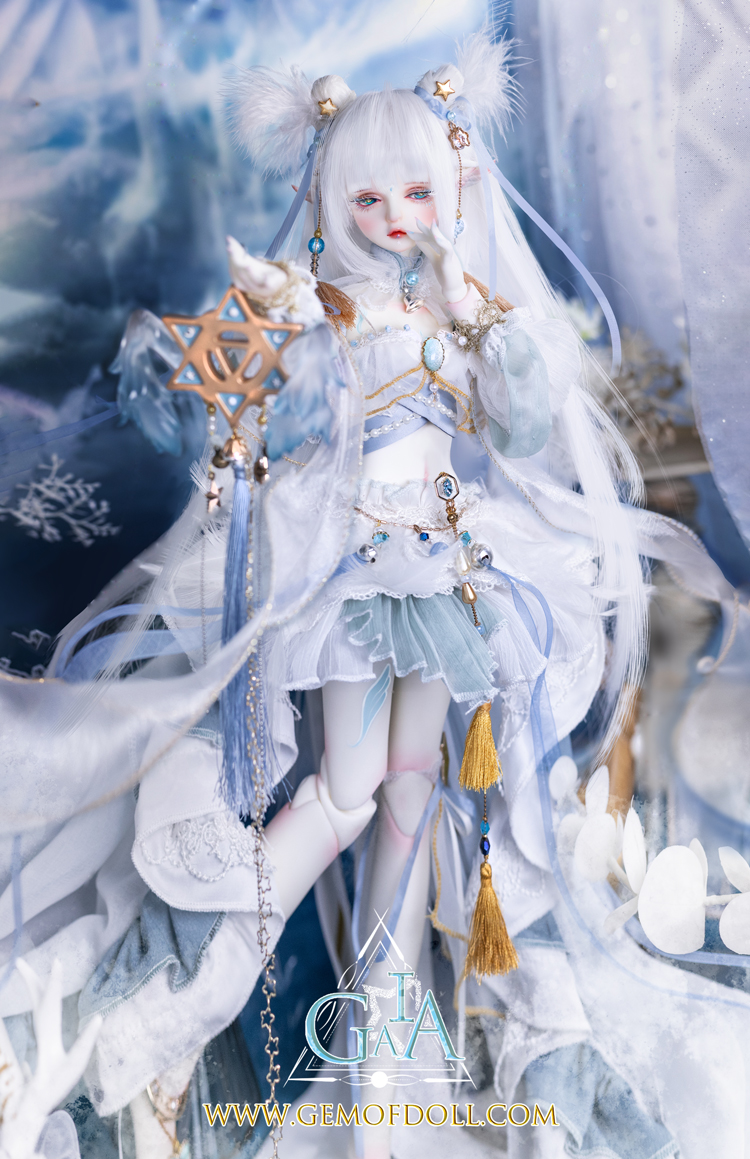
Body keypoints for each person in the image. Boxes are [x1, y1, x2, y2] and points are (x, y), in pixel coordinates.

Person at [1, 31, 744, 1159]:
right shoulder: (326, 309)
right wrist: (259, 333)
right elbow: (227, 398)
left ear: (448, 190)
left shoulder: (453, 310)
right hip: (349, 569)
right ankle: (177, 1000)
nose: (396, 215)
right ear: (335, 199)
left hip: (444, 566)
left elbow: (523, 429)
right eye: (371, 197)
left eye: (416, 193)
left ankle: (383, 1058)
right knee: (345, 794)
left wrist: (470, 307)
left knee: (409, 794)